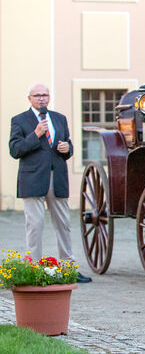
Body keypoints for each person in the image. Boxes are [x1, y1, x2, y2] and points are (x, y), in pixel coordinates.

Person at [8, 83, 92, 283]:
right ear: (29, 98)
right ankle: (33, 269)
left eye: (45, 95)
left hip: (57, 178)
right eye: (37, 95)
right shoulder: (20, 120)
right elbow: (15, 150)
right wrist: (35, 135)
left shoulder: (59, 118)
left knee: (63, 224)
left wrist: (67, 148)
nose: (42, 99)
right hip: (33, 179)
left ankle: (68, 268)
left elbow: (68, 145)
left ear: (49, 97)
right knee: (35, 225)